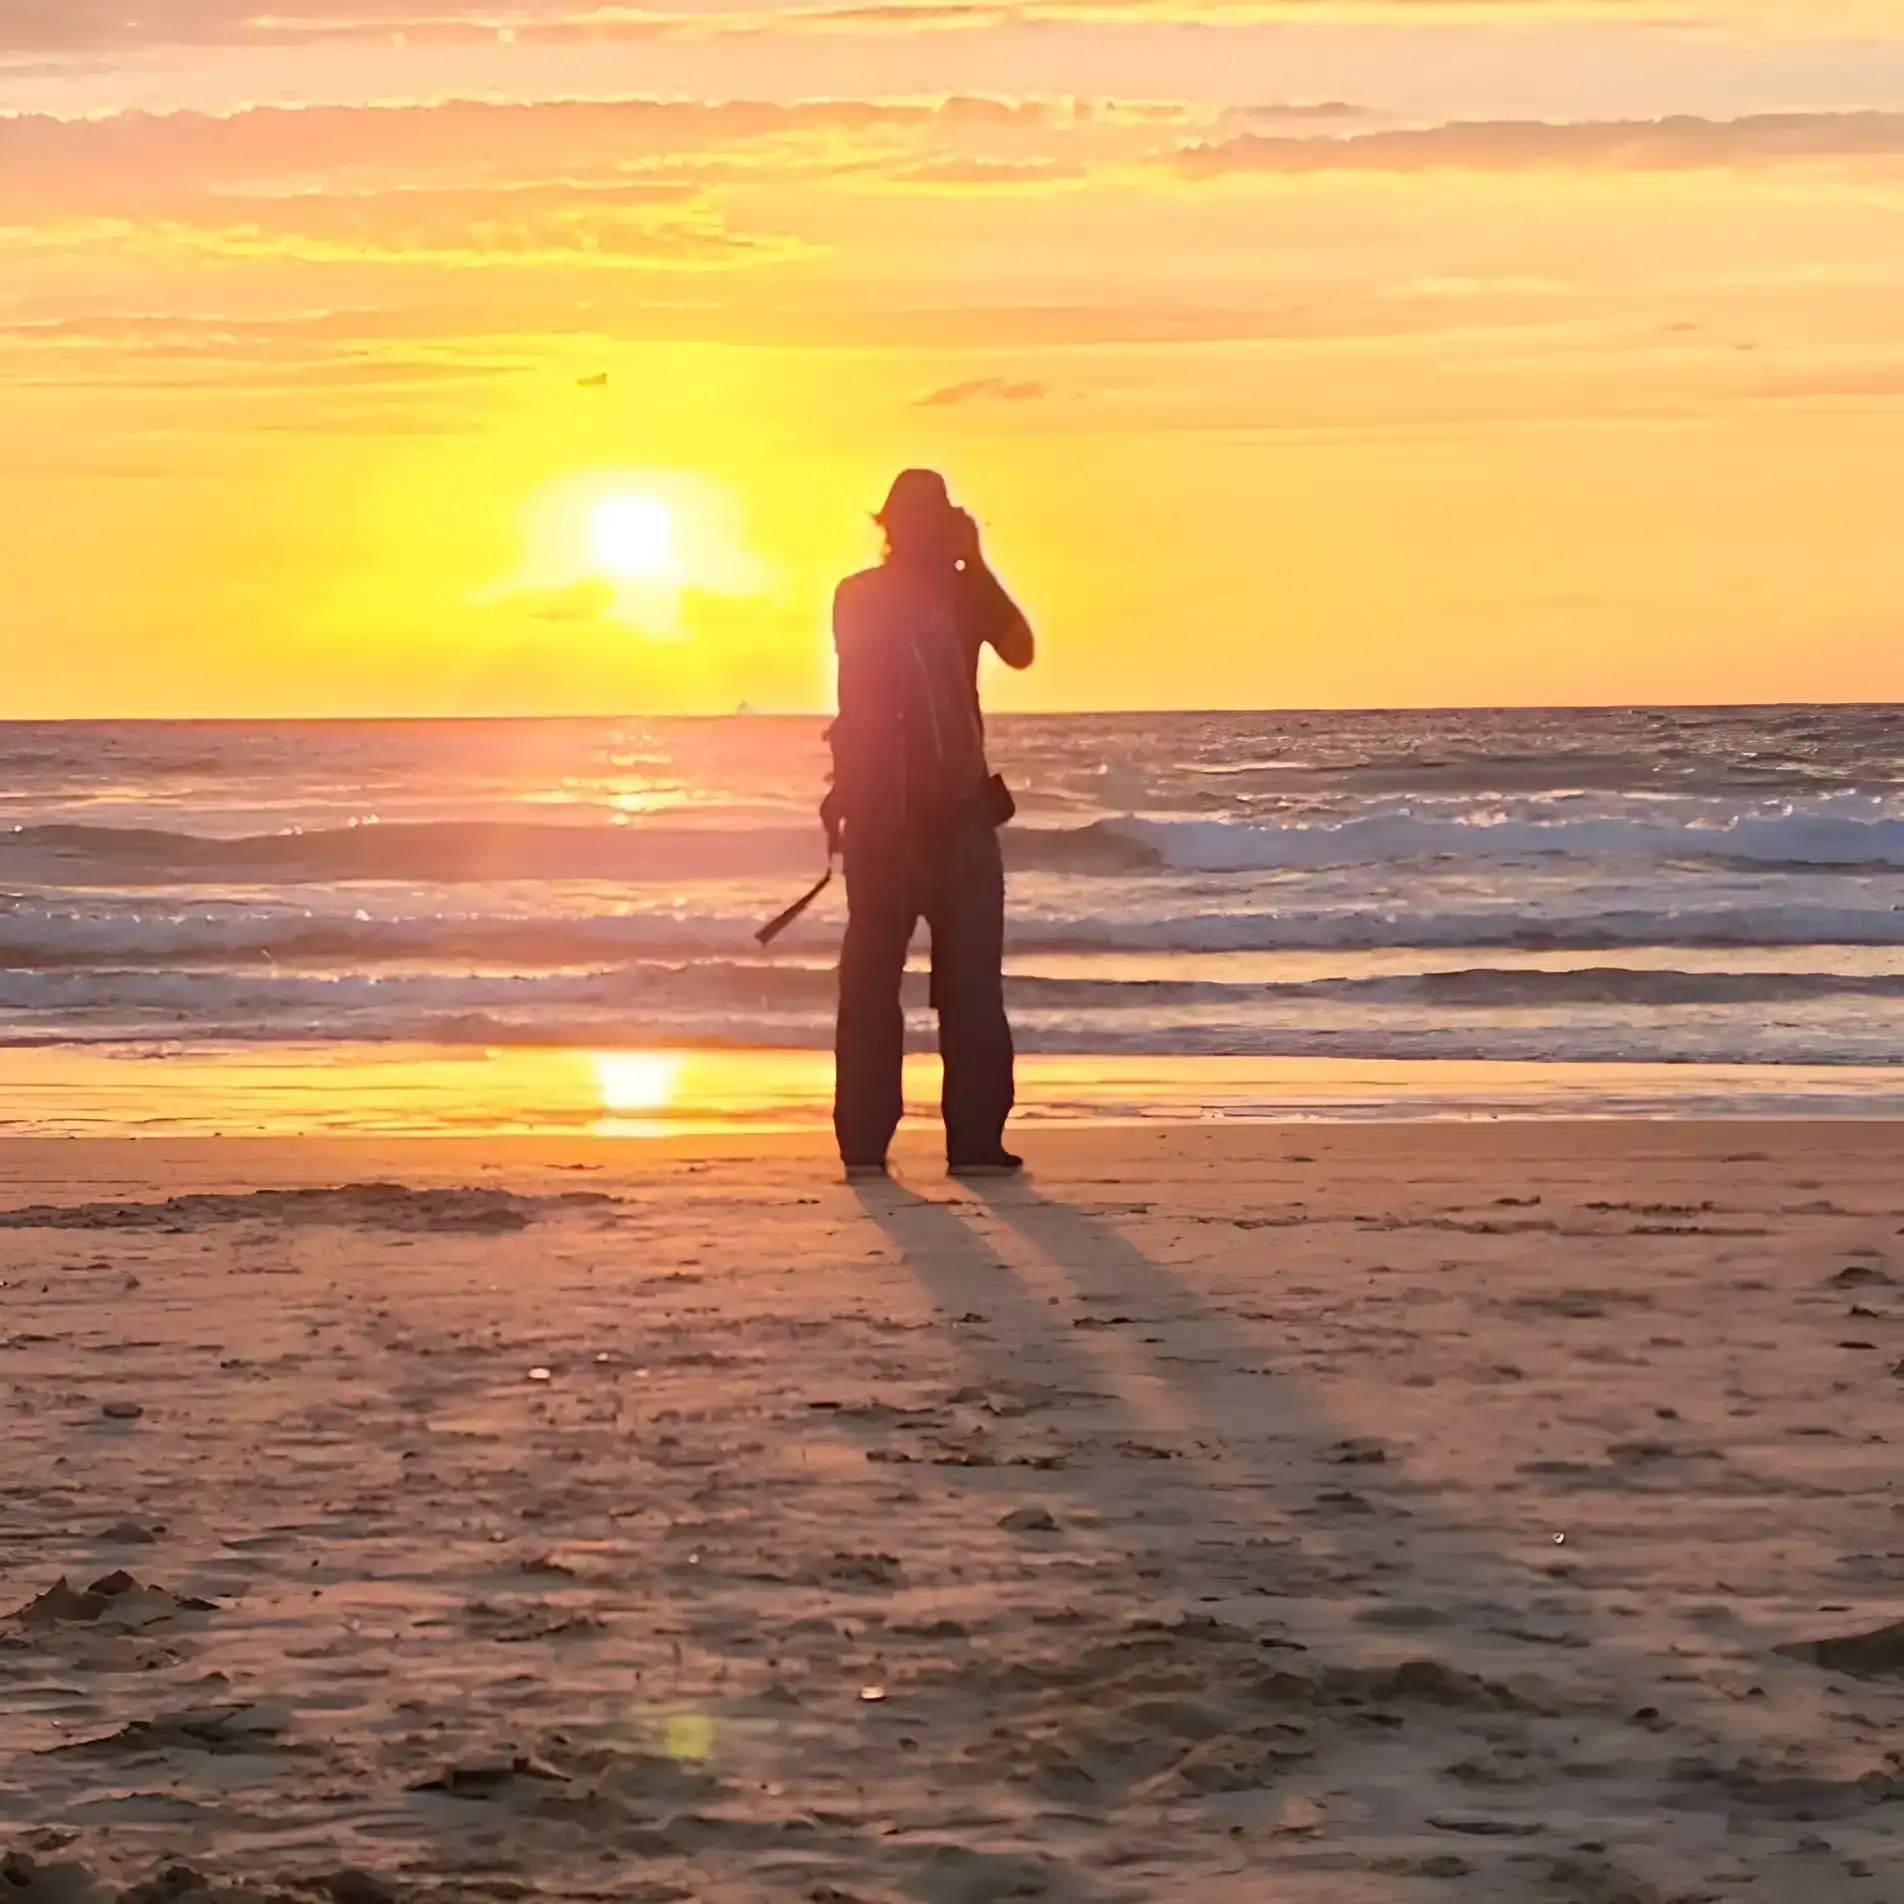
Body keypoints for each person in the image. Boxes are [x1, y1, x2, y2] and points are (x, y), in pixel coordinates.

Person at [826, 469, 1035, 1180]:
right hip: (900, 822)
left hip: (944, 818)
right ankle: (881, 1142)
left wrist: (973, 567)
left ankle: (934, 1142)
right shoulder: (874, 595)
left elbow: (1020, 649)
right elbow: (862, 697)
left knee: (933, 984)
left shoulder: (939, 591)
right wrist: (969, 564)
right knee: (901, 985)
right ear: (891, 524)